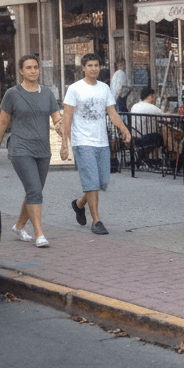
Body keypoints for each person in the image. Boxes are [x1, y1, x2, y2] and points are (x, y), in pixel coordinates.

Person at [0, 54, 63, 248]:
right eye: (28, 67)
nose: (33, 71)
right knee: (34, 190)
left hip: (43, 150)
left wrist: (61, 128)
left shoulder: (47, 93)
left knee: (34, 190)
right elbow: (3, 122)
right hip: (20, 148)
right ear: (21, 71)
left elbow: (57, 118)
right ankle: (39, 234)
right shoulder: (12, 94)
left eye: (35, 67)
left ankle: (19, 226)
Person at [61, 52, 132, 235]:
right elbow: (67, 117)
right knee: (91, 181)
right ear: (83, 68)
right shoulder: (75, 89)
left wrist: (124, 129)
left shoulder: (104, 88)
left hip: (101, 141)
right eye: (90, 65)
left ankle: (79, 205)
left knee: (100, 182)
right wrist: (64, 144)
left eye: (96, 65)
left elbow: (112, 112)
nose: (94, 69)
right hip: (82, 141)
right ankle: (96, 221)